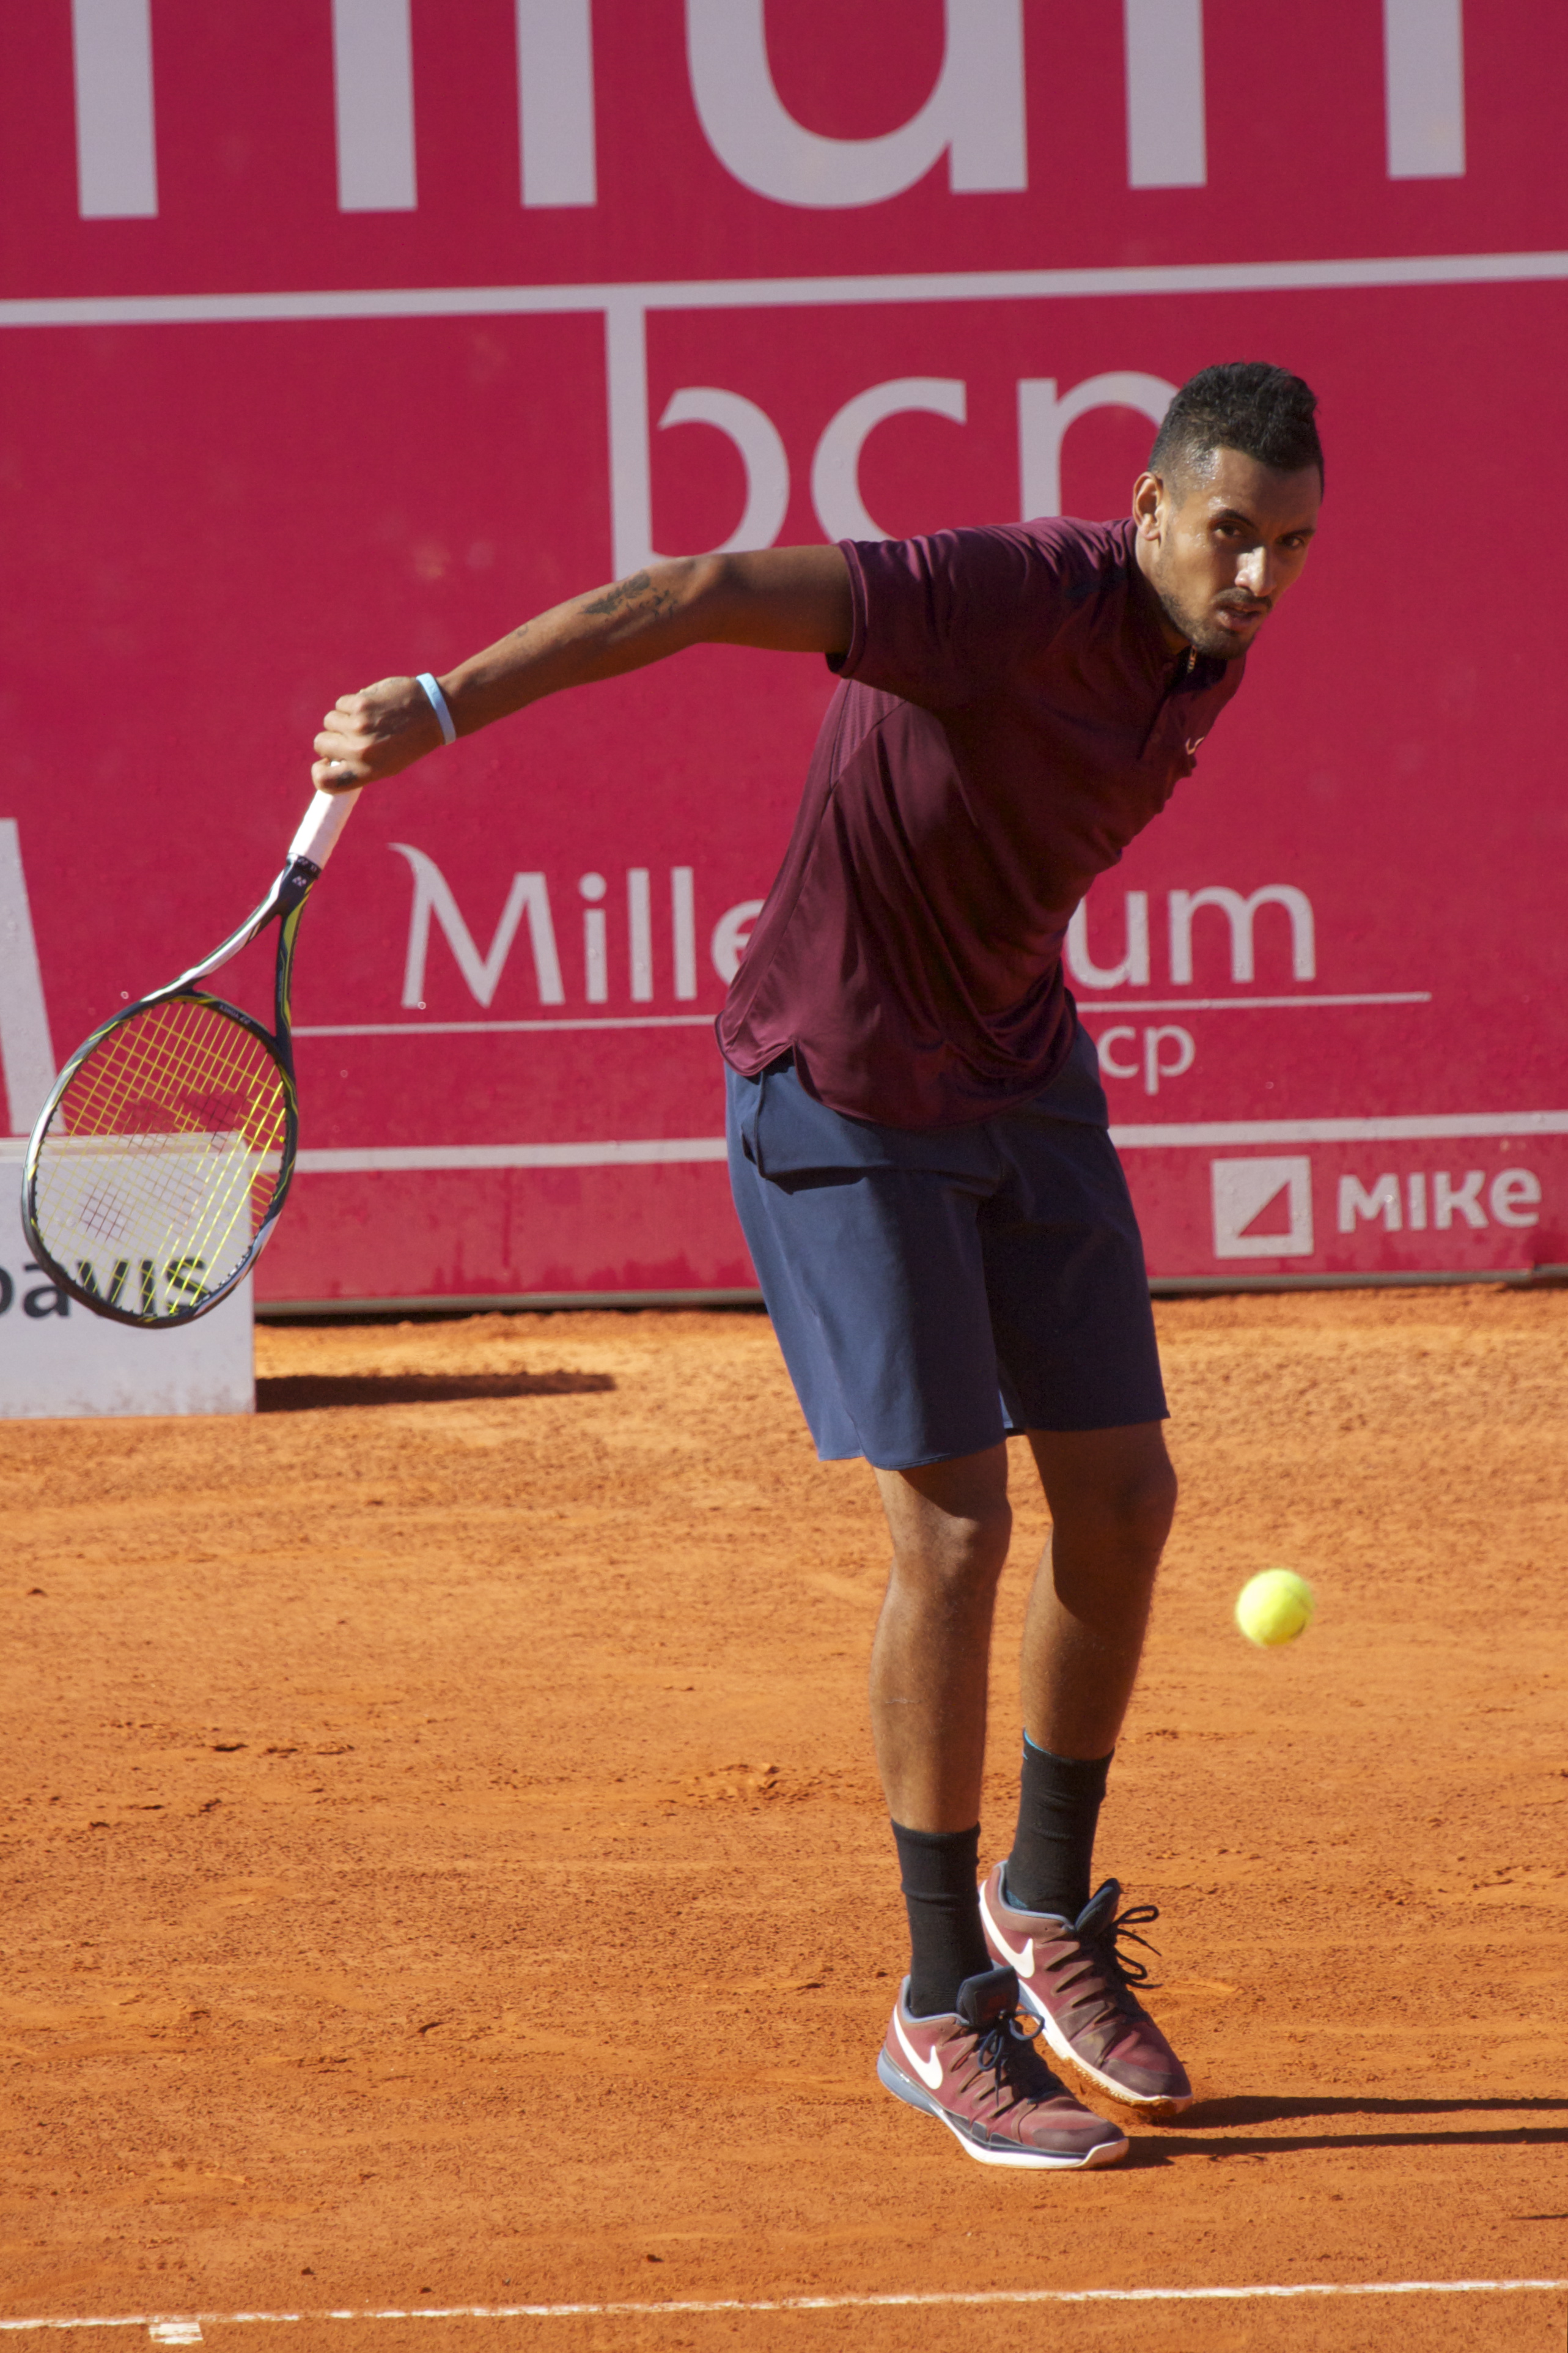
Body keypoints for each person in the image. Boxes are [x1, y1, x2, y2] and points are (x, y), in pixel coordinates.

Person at [313, 360, 1323, 2172]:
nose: (1256, 579)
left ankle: (1041, 1906)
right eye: (1231, 534)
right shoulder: (1000, 595)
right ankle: (940, 2004)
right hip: (845, 1084)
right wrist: (445, 704)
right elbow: (697, 591)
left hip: (1020, 1070)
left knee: (1123, 1500)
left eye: (1291, 549)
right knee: (955, 1530)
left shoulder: (1206, 650)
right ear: (1152, 507)